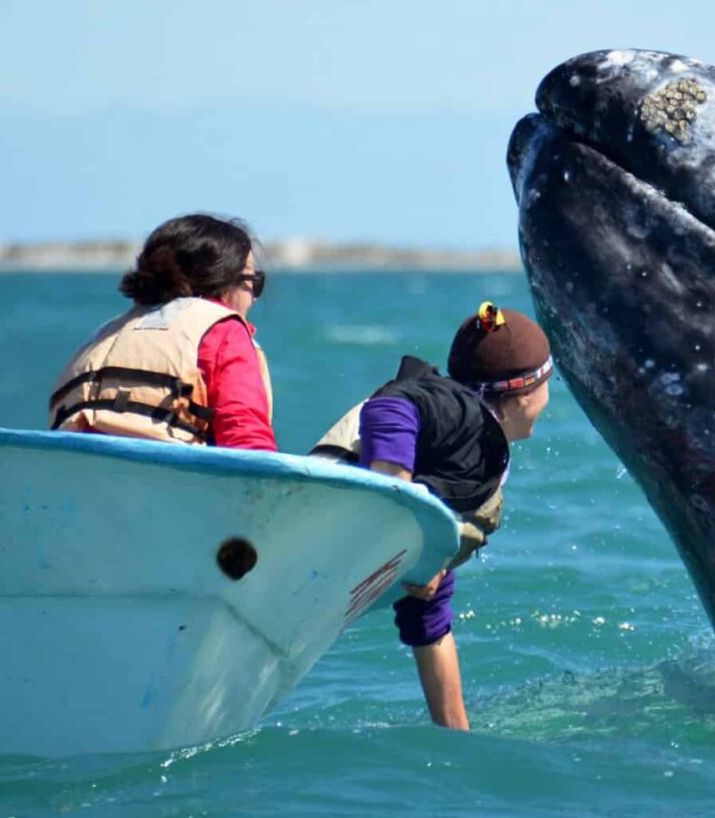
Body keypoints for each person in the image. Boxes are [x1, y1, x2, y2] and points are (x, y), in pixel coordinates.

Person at [310, 301, 553, 730]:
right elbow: (393, 404)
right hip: (305, 536)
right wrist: (396, 514)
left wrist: (458, 739)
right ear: (525, 394)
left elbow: (430, 617)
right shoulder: (461, 410)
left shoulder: (469, 454)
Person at [49, 213, 276, 451]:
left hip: (80, 471)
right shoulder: (223, 332)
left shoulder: (96, 341)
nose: (254, 297)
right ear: (223, 280)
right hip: (171, 473)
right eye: (254, 281)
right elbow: (247, 443)